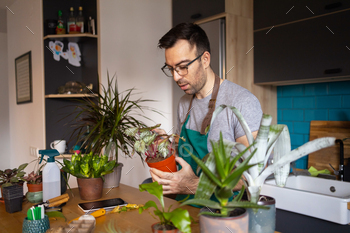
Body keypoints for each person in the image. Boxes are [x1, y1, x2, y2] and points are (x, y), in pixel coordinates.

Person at [150, 23, 262, 201]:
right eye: (171, 68)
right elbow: (184, 154)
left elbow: (250, 177)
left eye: (183, 66)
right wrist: (165, 146)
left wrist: (193, 185)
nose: (176, 77)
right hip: (185, 207)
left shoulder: (242, 102)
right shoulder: (184, 103)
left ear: (205, 59)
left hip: (222, 214)